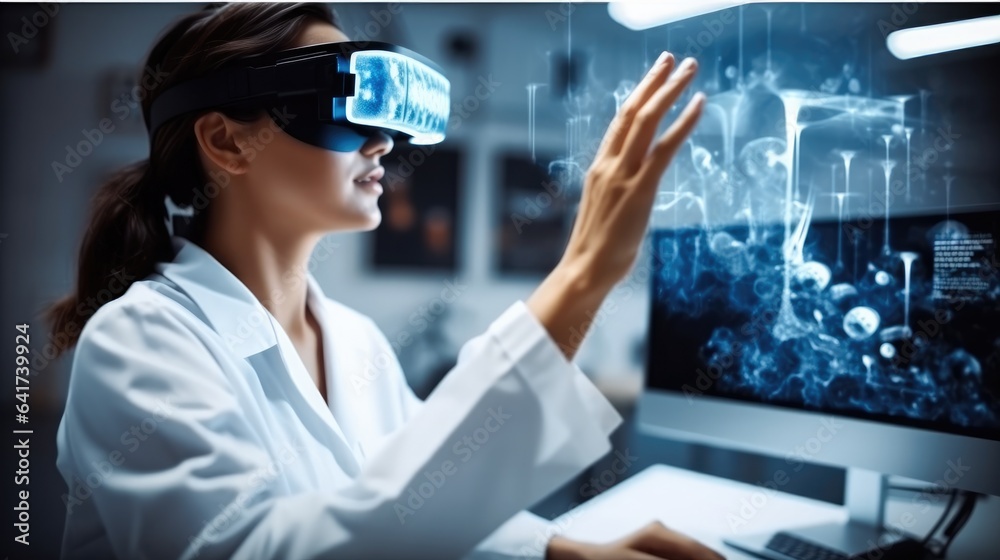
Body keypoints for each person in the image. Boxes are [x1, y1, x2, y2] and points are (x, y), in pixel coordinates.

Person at [46, 3, 716, 559]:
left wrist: (562, 552)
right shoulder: (138, 342)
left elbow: (419, 504)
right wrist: (586, 272)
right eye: (344, 103)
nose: (383, 142)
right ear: (226, 142)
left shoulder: (354, 341)